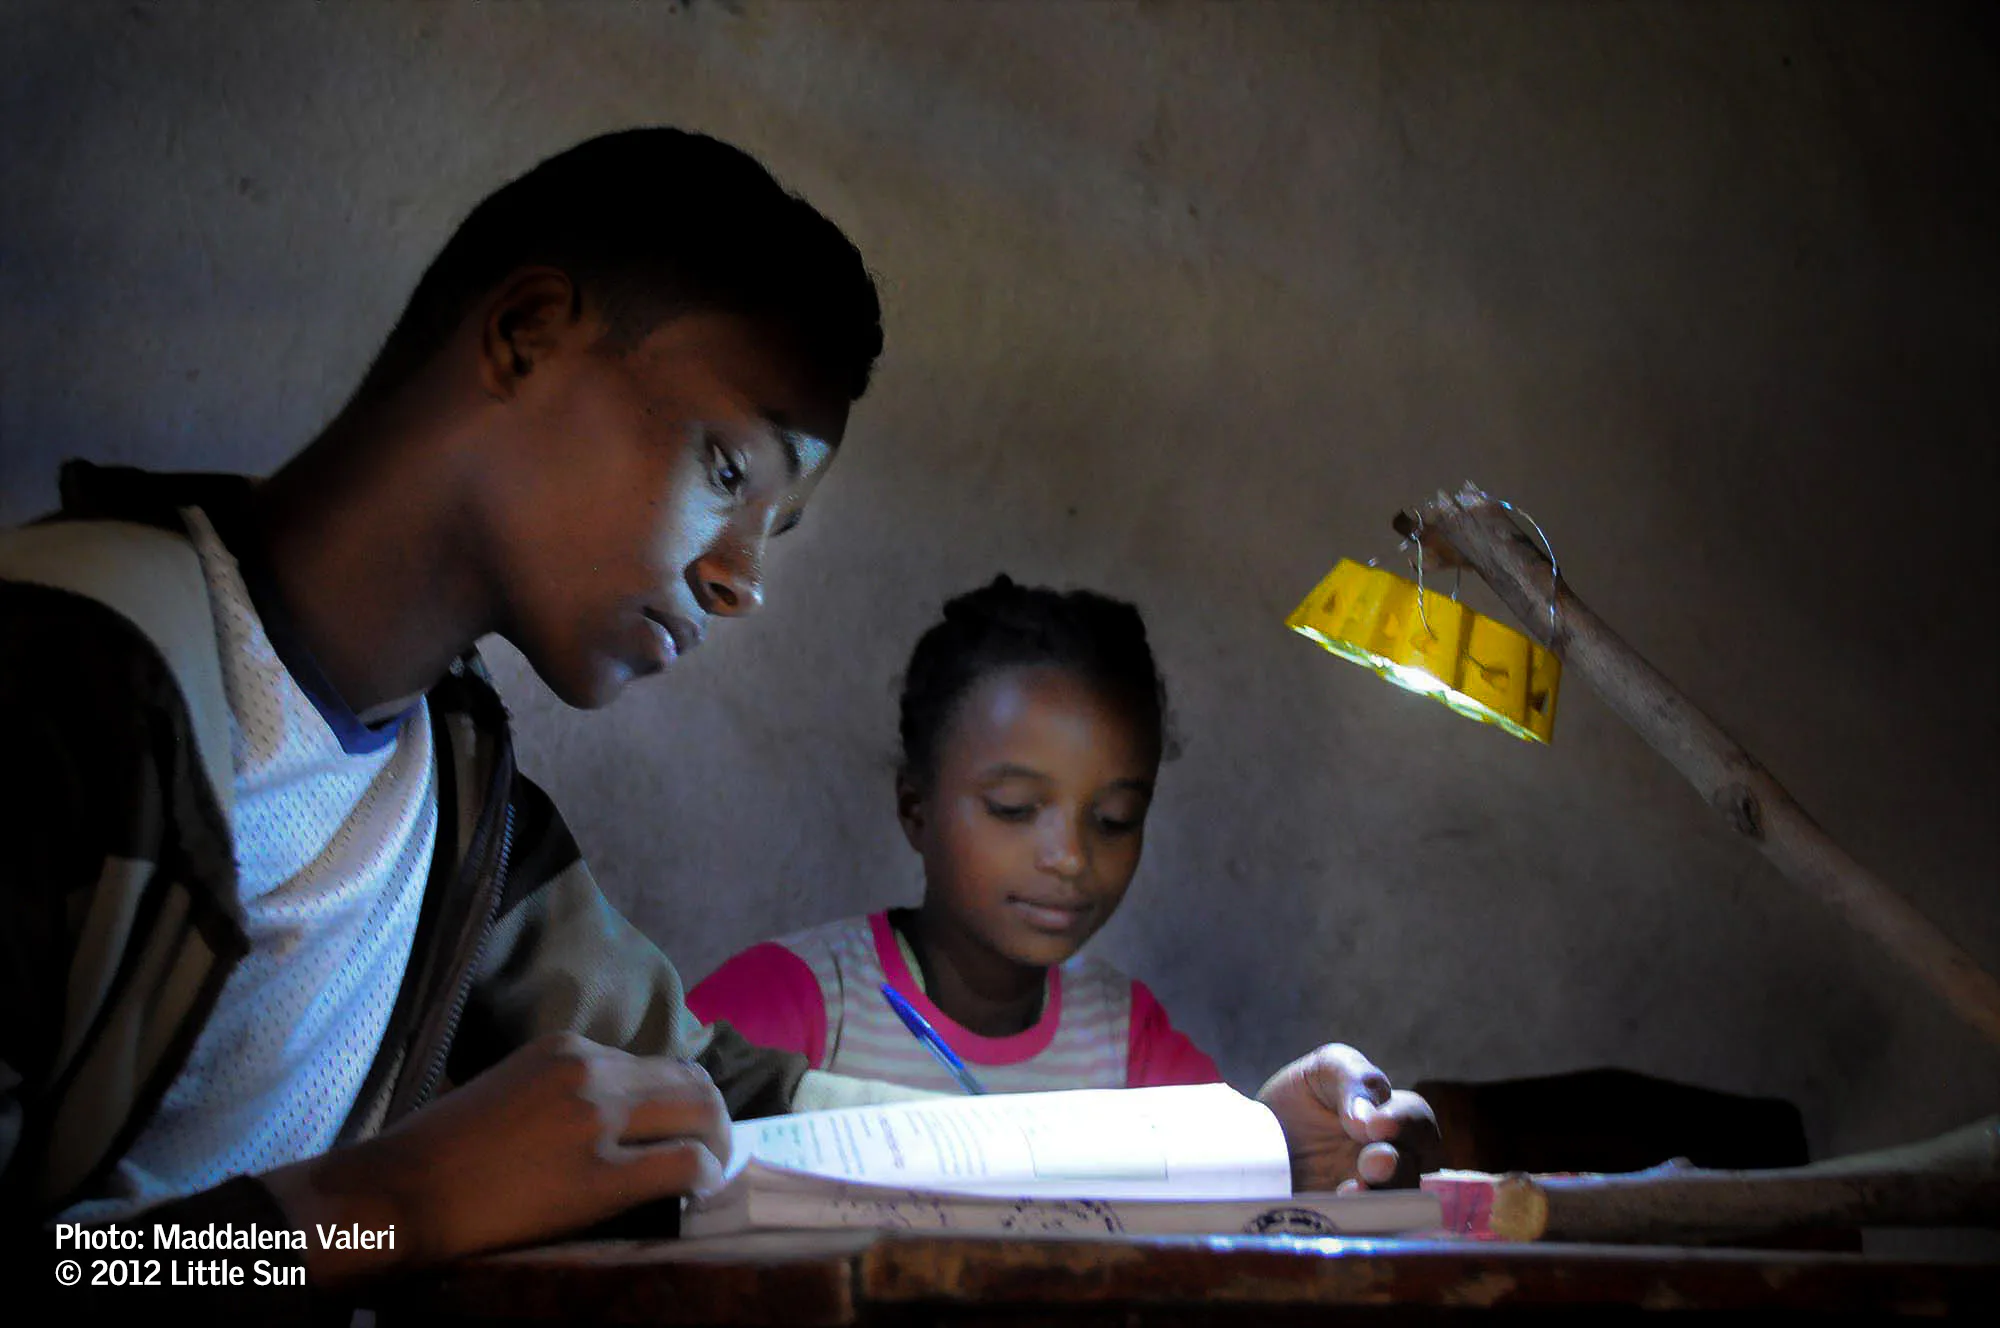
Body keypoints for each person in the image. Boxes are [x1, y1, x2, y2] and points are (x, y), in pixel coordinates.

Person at [0, 129, 1433, 1306]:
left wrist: (1239, 1142)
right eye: (727, 470)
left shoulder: (462, 813)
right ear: (525, 335)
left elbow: (745, 1107)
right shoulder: (62, 675)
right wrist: (382, 1209)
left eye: (777, 529)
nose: (741, 579)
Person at [687, 577, 1434, 1178]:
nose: (1070, 857)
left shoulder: (1120, 1036)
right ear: (916, 809)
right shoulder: (802, 1001)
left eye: (1113, 818)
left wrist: (1290, 1149)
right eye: (1014, 808)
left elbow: (1215, 1178)